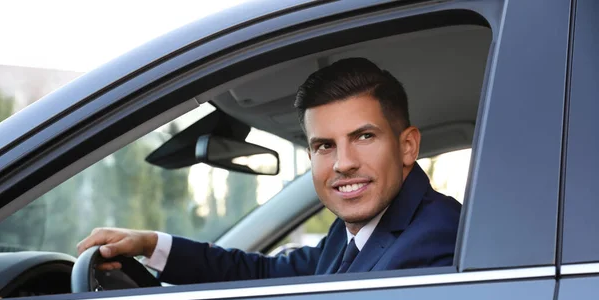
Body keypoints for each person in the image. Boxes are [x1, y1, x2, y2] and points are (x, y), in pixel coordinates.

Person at [77, 57, 461, 284]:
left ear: (407, 146)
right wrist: (150, 244)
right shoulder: (354, 234)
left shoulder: (435, 242)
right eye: (324, 145)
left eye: (363, 136)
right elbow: (263, 273)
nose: (343, 163)